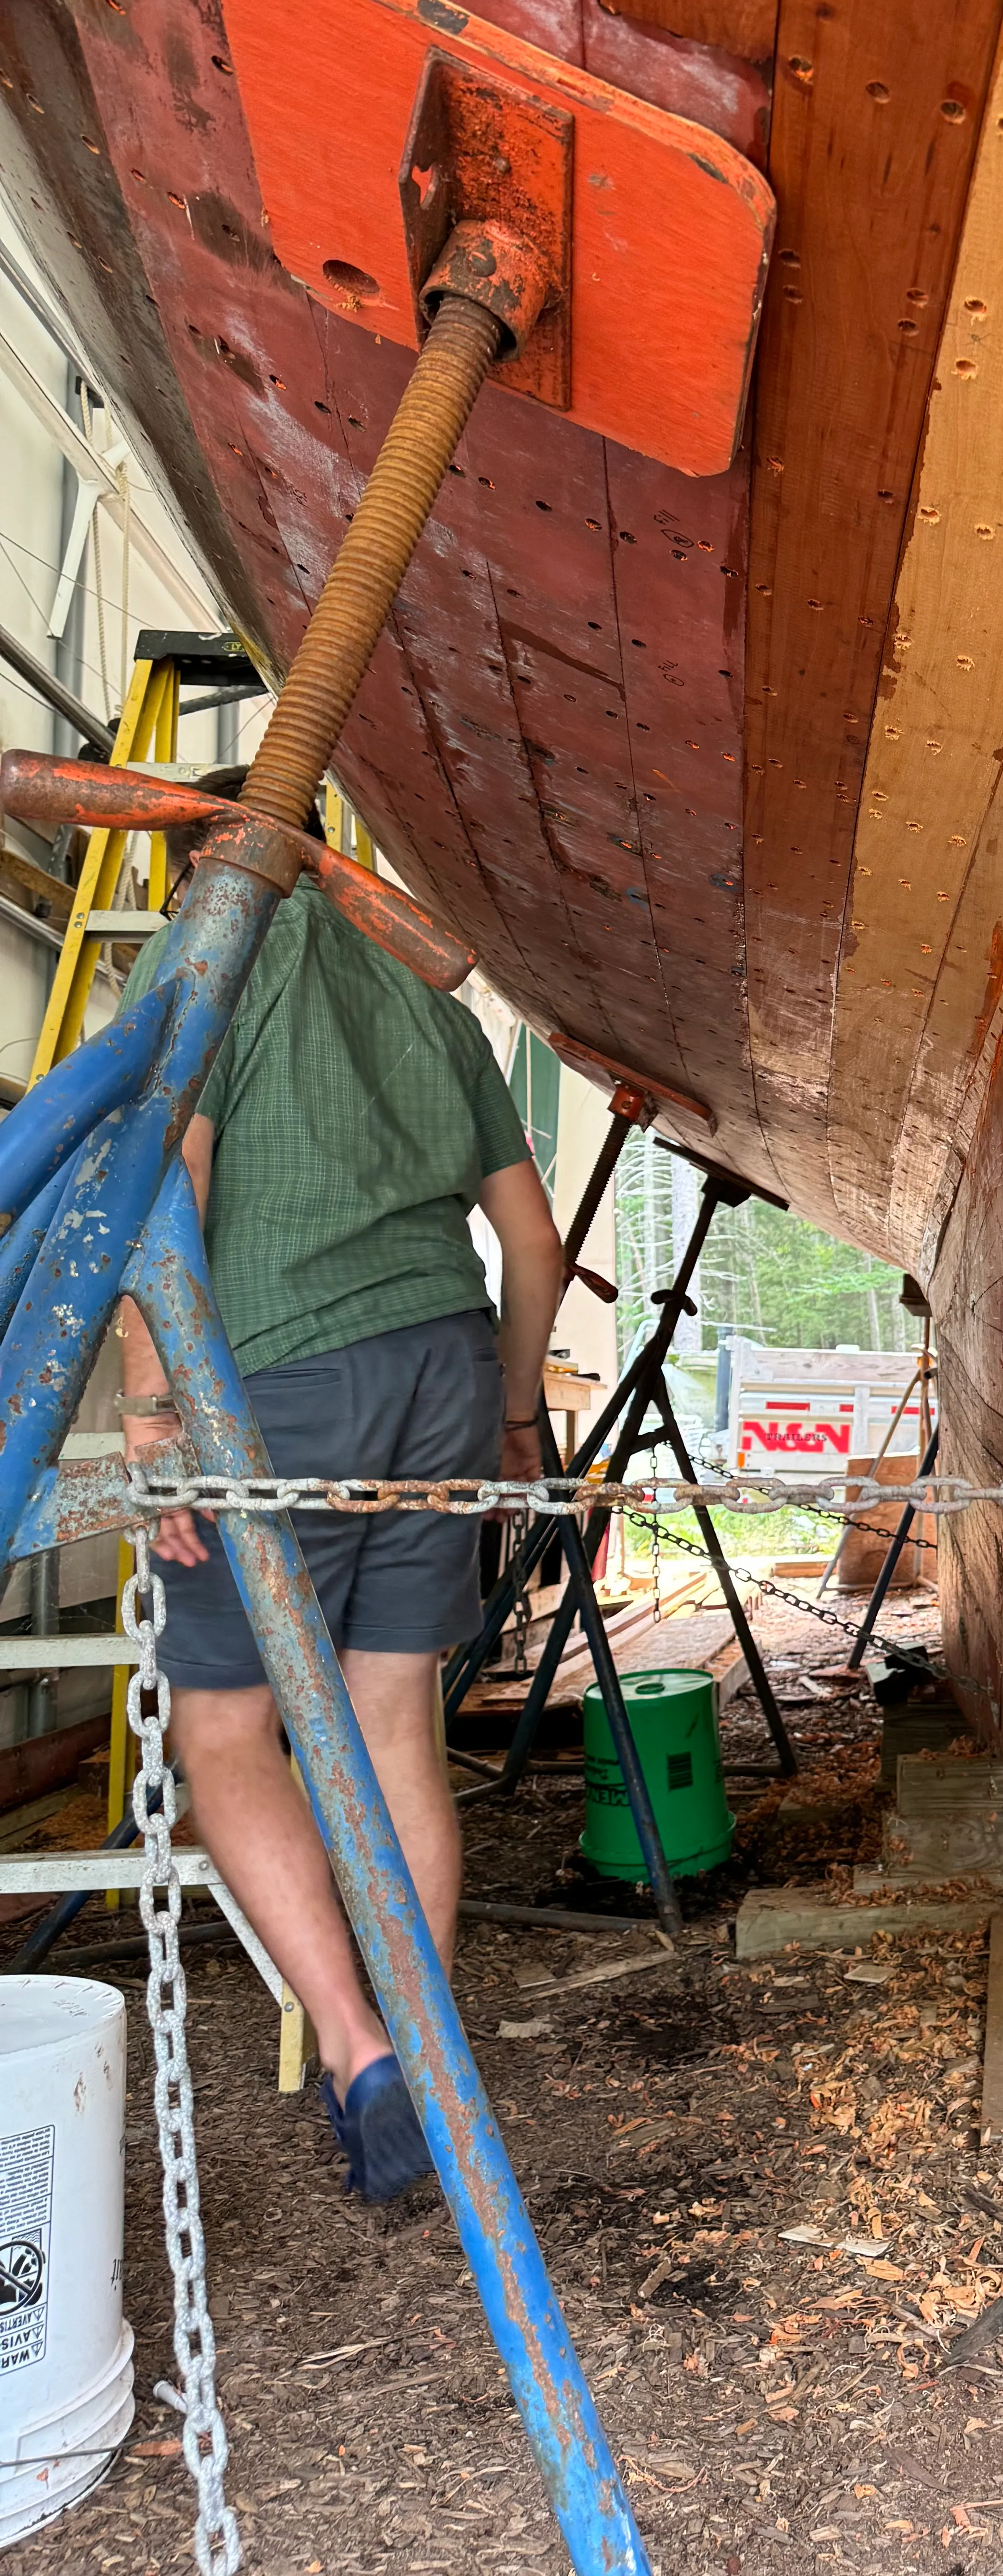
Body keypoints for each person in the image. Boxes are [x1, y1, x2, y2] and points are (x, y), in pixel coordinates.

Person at [119, 781, 566, 2203]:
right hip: (441, 1369)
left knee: (229, 1725)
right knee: (389, 1723)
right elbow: (535, 1243)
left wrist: (152, 1401)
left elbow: (162, 1188)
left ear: (196, 850)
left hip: (281, 1374)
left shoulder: (205, 949)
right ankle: (434, 2060)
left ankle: (364, 2050)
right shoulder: (415, 974)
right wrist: (510, 1409)